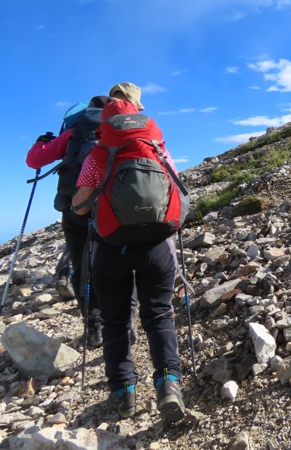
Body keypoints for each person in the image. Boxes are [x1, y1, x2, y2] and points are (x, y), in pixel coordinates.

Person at [71, 88, 186, 423]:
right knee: (159, 314)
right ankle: (169, 384)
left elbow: (79, 207)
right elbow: (177, 190)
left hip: (112, 249)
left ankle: (123, 393)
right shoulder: (157, 147)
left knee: (116, 319)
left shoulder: (97, 153)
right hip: (156, 246)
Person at [26, 94, 112, 345]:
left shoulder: (74, 132)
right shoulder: (119, 130)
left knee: (82, 265)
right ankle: (124, 322)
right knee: (117, 262)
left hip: (76, 208)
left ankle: (94, 327)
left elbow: (34, 160)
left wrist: (40, 143)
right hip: (114, 209)